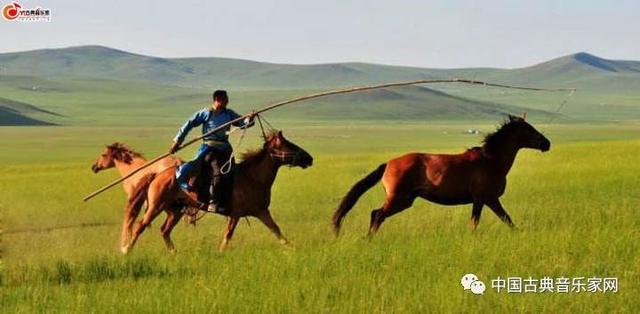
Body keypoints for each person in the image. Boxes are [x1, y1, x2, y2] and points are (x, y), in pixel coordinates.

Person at [169, 90, 254, 214]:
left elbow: (242, 123)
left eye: (227, 99)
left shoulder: (229, 114)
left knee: (233, 172)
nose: (227, 101)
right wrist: (177, 141)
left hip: (225, 149)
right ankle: (212, 202)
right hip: (210, 148)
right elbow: (189, 124)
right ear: (217, 99)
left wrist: (249, 118)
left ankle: (229, 201)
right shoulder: (206, 113)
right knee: (218, 173)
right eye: (225, 99)